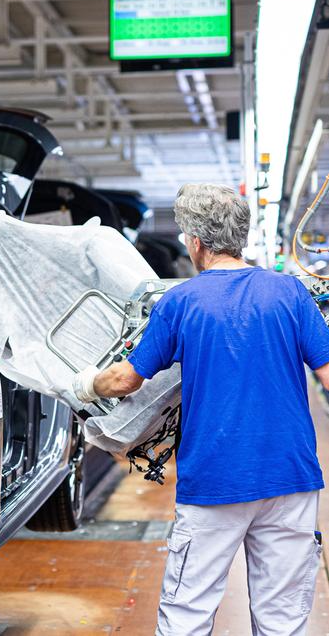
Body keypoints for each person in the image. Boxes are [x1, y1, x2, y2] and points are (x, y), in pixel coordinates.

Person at [73, 183, 329, 636]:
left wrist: (80, 384)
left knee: (187, 616)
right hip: (291, 478)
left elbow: (126, 380)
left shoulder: (180, 302)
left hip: (214, 482)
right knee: (283, 620)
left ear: (194, 241)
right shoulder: (291, 295)